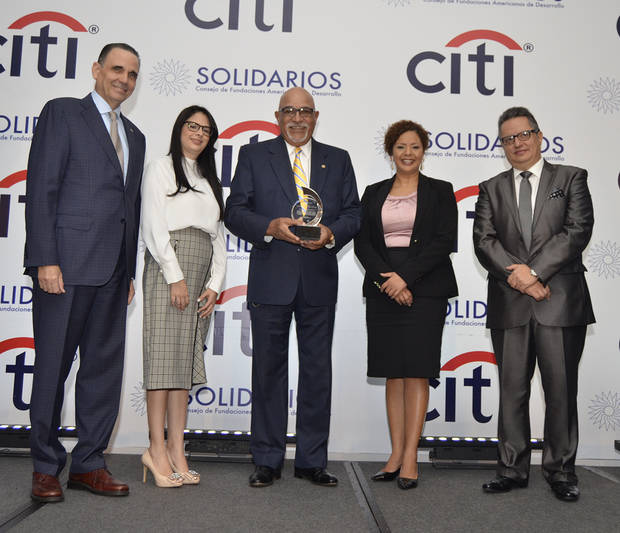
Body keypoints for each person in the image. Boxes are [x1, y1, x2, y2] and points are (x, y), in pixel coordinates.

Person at [24, 43, 145, 502]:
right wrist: (44, 258)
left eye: (132, 74)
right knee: (53, 367)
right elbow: (42, 187)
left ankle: (89, 463)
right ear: (96, 70)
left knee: (103, 371)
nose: (124, 80)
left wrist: (129, 269)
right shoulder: (62, 113)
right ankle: (45, 466)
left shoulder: (135, 134)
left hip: (114, 273)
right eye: (117, 69)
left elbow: (127, 209)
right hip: (66, 266)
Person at [225, 87, 361, 488]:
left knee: (317, 372)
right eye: (289, 111)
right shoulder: (253, 156)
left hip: (319, 278)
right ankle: (266, 459)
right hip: (271, 278)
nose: (297, 118)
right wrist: (269, 227)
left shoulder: (338, 159)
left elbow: (355, 213)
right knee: (267, 371)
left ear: (316, 117)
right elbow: (235, 211)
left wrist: (331, 233)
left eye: (305, 111)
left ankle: (311, 461)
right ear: (277, 116)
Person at [473, 106, 595, 502]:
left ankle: (561, 470)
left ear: (540, 136)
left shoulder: (571, 177)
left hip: (560, 302)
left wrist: (535, 273)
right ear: (502, 145)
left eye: (524, 135)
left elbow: (577, 230)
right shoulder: (490, 187)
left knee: (561, 391)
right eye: (508, 138)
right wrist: (521, 278)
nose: (517, 143)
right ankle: (511, 468)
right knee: (512, 391)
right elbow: (485, 241)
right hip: (511, 302)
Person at [354, 120, 458, 490]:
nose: (408, 153)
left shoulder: (441, 192)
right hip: (384, 290)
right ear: (390, 152)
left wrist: (406, 279)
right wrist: (388, 280)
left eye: (414, 146)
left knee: (416, 372)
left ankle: (411, 457)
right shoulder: (373, 192)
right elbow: (363, 243)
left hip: (425, 291)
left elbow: (444, 241)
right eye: (401, 147)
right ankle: (395, 454)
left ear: (424, 150)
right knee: (393, 373)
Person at [140, 105, 226, 487]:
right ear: (179, 129)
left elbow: (218, 235)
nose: (198, 133)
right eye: (192, 126)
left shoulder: (210, 178)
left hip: (202, 268)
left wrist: (215, 284)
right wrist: (174, 276)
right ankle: (155, 449)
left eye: (206, 130)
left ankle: (178, 448)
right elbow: (153, 224)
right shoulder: (160, 167)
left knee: (183, 365)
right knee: (163, 361)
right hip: (169, 266)